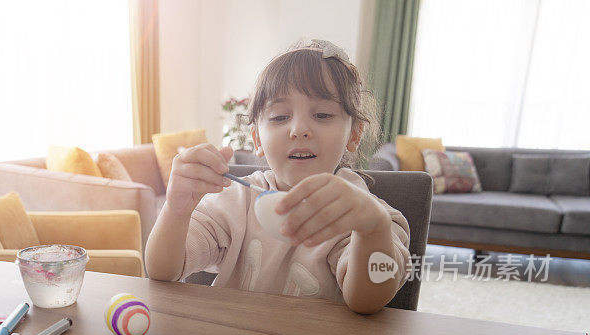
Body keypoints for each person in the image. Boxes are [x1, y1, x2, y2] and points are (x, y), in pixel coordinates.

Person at [145, 39, 410, 314]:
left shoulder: (366, 215)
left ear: (354, 134)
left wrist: (372, 230)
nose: (299, 129)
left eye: (322, 114)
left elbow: (369, 298)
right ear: (257, 138)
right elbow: (163, 271)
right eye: (280, 117)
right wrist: (176, 211)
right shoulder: (236, 201)